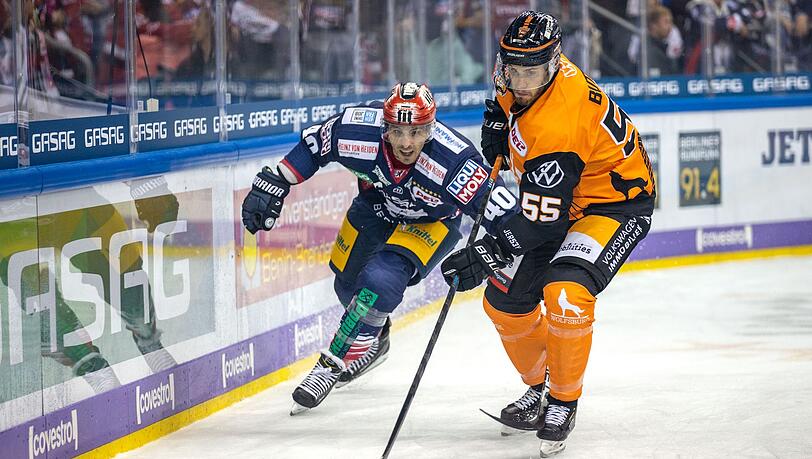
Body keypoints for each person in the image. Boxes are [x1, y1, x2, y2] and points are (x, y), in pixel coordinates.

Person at [440, 11, 656, 457]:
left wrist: (487, 252)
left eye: (531, 71)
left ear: (554, 63)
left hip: (612, 206)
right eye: (512, 68)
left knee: (565, 293)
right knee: (504, 301)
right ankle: (540, 387)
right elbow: (503, 97)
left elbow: (542, 222)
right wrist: (498, 121)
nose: (520, 80)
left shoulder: (560, 120)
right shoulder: (522, 75)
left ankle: (563, 400)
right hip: (564, 200)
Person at [240, 82, 518, 414]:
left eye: (416, 132)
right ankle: (376, 337)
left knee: (380, 281)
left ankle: (333, 363)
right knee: (346, 282)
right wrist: (279, 179)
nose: (406, 142)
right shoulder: (358, 129)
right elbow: (316, 144)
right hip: (379, 203)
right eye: (398, 131)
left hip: (432, 221)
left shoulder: (452, 160)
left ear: (430, 129)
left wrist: (503, 246)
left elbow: (502, 209)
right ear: (385, 126)